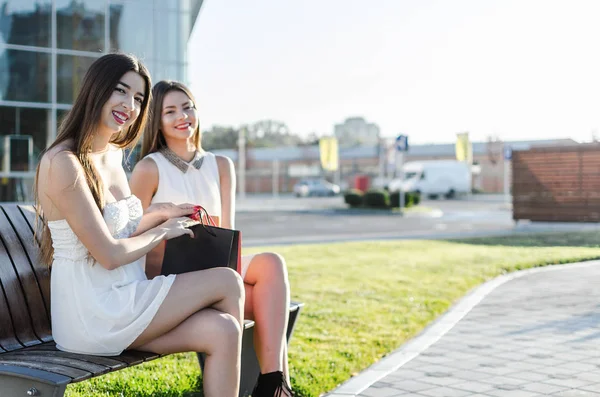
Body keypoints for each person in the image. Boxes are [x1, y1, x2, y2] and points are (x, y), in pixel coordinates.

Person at [34, 53, 244, 397]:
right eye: (121, 91)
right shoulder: (63, 162)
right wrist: (162, 231)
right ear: (96, 90)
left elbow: (119, 229)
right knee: (227, 280)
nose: (129, 105)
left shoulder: (114, 155)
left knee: (223, 330)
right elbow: (108, 253)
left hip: (127, 296)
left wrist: (159, 213)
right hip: (93, 311)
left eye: (138, 98)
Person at [129, 80, 294, 397]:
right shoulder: (149, 167)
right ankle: (276, 388)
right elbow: (133, 234)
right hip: (171, 277)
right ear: (157, 121)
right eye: (170, 111)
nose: (183, 116)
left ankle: (273, 382)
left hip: (217, 268)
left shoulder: (221, 165)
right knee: (262, 300)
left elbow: (228, 233)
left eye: (188, 106)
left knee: (272, 264)